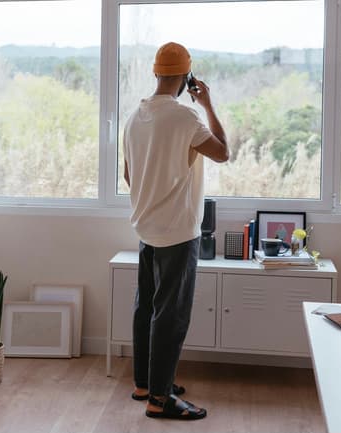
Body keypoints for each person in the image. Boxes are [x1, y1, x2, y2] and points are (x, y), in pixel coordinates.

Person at [122, 42, 230, 420]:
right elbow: (222, 152)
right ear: (187, 78)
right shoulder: (186, 117)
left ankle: (145, 384)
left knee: (147, 308)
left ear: (155, 73)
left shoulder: (135, 117)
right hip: (178, 231)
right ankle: (160, 398)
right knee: (172, 314)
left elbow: (129, 176)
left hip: (147, 227)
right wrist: (208, 106)